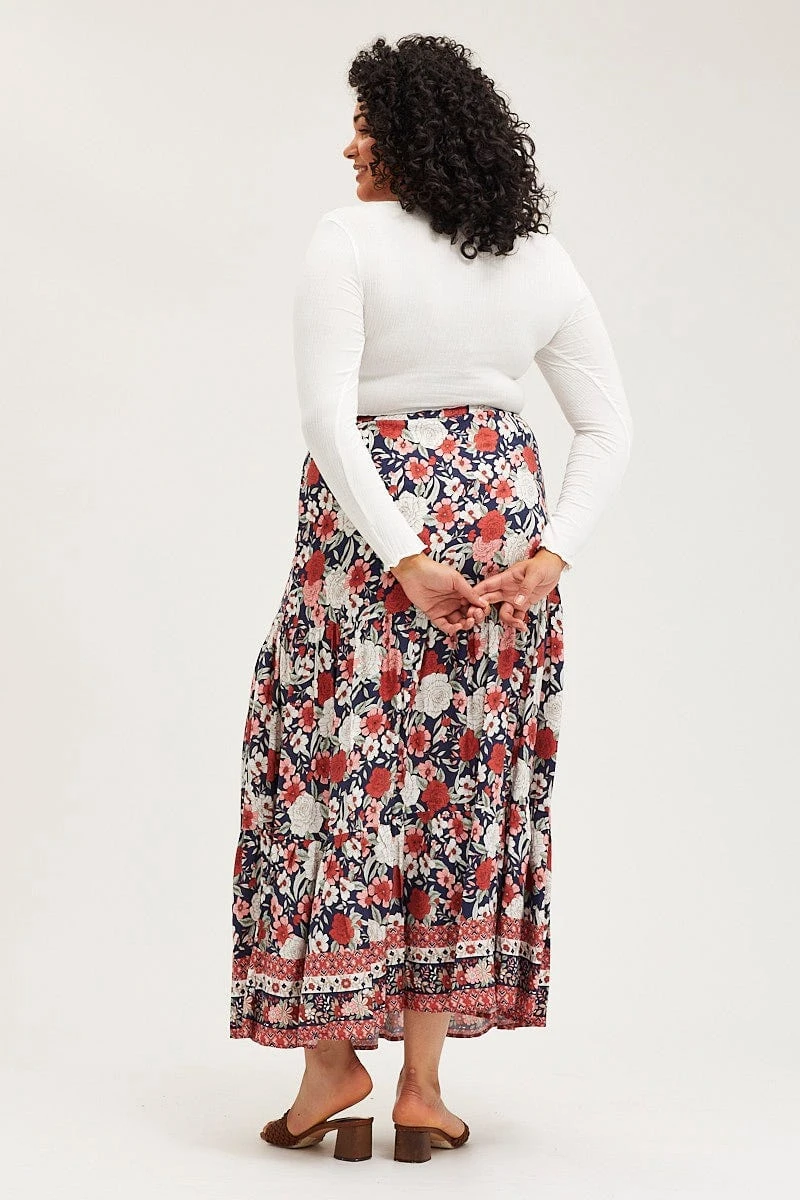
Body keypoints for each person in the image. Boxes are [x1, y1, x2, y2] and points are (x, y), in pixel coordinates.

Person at [230, 34, 633, 1163]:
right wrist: (548, 556)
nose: (349, 146)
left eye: (365, 126)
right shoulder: (536, 258)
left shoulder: (346, 239)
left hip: (371, 539)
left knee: (338, 774)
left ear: (411, 136)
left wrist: (405, 554)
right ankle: (420, 1089)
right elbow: (607, 427)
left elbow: (328, 416)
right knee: (455, 791)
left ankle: (331, 1069)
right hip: (499, 526)